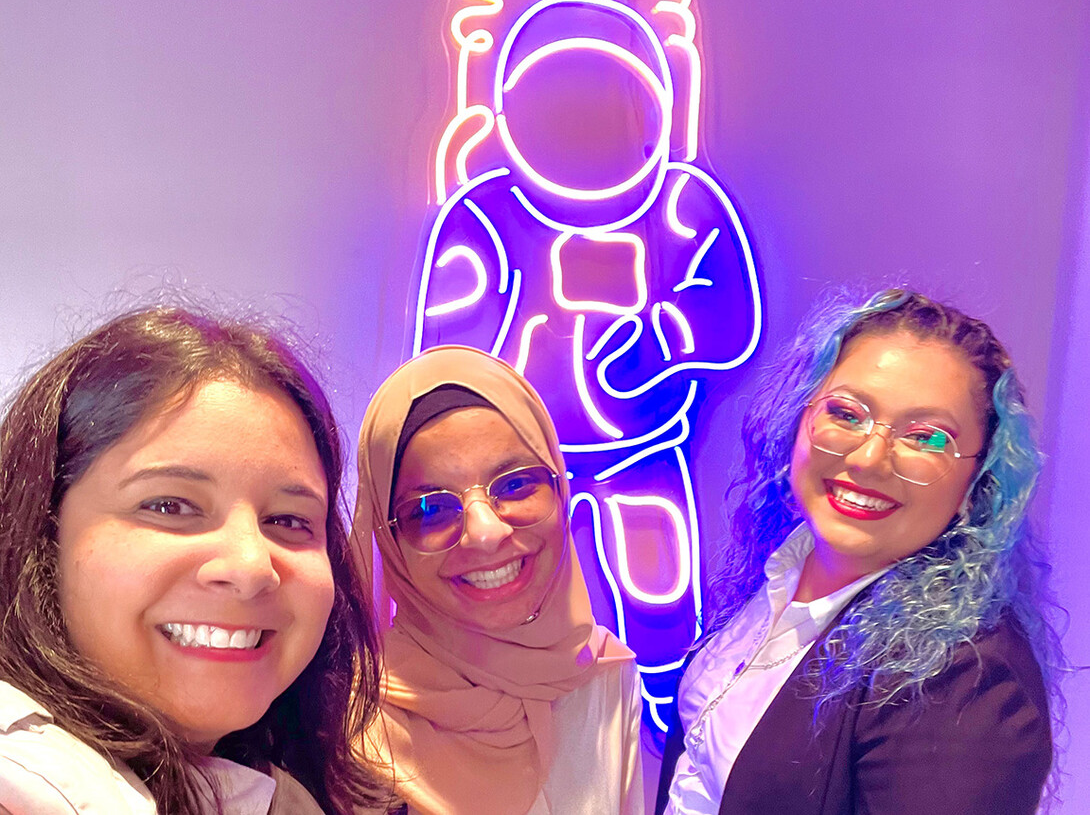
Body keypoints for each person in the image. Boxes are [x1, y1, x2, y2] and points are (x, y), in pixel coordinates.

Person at [657, 289, 1060, 815]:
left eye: (926, 437)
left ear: (976, 480)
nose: (869, 458)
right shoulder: (782, 571)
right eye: (847, 413)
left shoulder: (966, 679)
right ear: (798, 419)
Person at [0, 308, 391, 815]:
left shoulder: (277, 785)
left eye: (290, 520)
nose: (252, 565)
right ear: (42, 534)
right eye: (169, 506)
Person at [351, 345, 644, 815]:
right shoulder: (355, 723)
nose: (486, 533)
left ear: (560, 485)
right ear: (389, 542)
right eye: (431, 509)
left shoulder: (601, 677)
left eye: (515, 484)